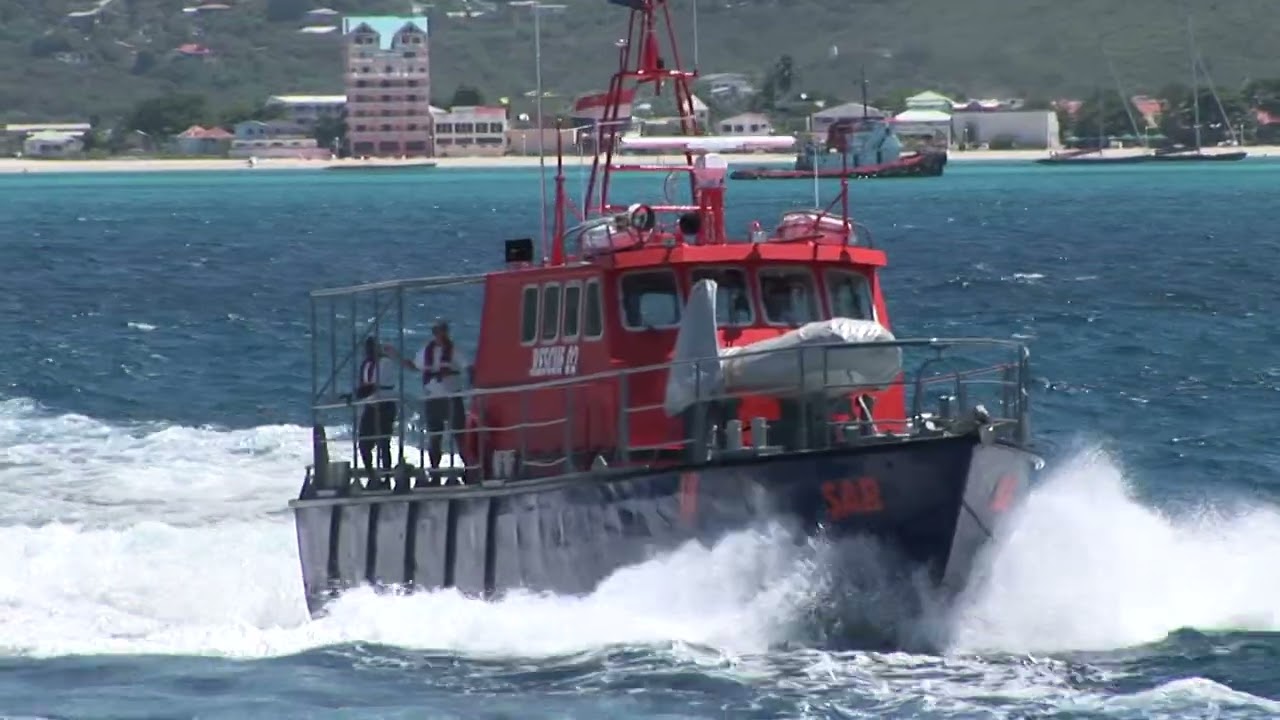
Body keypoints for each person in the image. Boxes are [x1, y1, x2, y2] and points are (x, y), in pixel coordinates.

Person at [387, 317, 471, 472]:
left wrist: (472, 384)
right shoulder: (426, 350)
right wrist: (396, 356)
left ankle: (469, 468)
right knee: (434, 437)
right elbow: (413, 366)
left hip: (452, 396)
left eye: (442, 330)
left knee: (459, 436)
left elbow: (467, 367)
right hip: (433, 398)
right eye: (437, 331)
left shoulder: (455, 350)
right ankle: (435, 471)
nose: (440, 334)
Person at [353, 337, 397, 478]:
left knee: (383, 444)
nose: (369, 351)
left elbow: (374, 385)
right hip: (371, 406)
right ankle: (372, 475)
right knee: (364, 444)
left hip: (385, 405)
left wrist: (357, 395)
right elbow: (364, 386)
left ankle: (387, 477)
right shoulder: (366, 365)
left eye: (372, 348)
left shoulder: (385, 363)